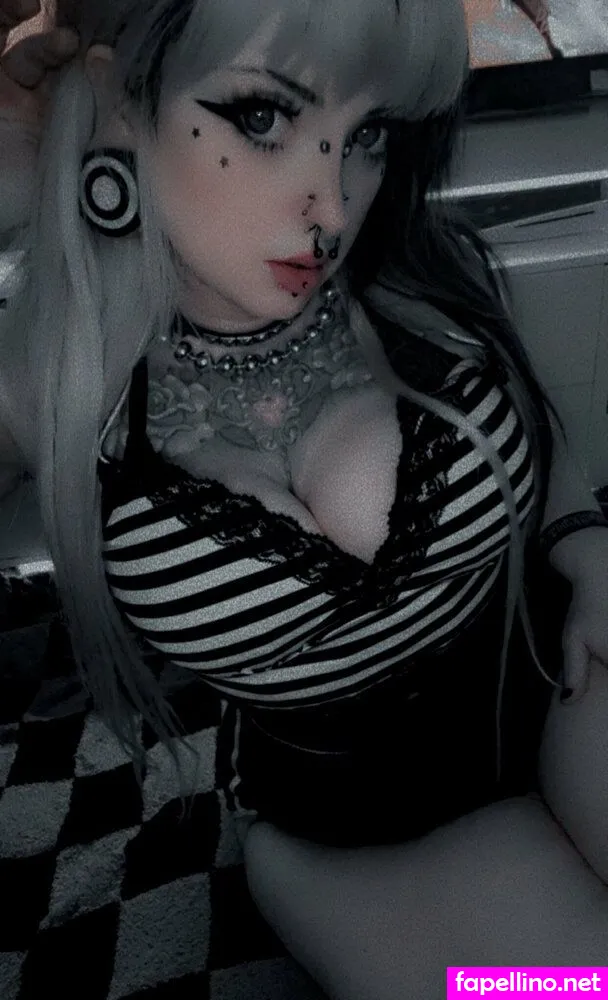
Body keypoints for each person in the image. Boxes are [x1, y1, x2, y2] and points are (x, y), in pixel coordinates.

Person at [1, 0, 608, 995]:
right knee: (565, 987)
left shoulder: (423, 276)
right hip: (350, 835)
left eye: (367, 133)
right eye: (261, 117)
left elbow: (533, 424)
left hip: (564, 684)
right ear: (119, 106)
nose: (330, 206)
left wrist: (583, 540)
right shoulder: (54, 385)